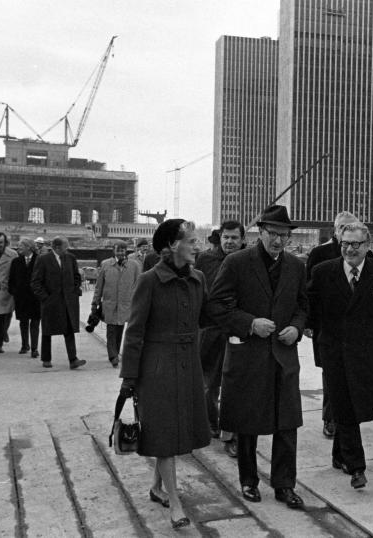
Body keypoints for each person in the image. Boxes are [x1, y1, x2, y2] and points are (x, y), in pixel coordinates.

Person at [208, 205, 308, 509]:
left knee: (287, 423)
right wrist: (250, 323)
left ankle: (284, 485)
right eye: (273, 234)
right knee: (248, 423)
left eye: (284, 235)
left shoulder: (295, 266)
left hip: (284, 356)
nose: (278, 241)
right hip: (249, 355)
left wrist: (296, 327)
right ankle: (249, 481)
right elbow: (217, 306)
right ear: (260, 232)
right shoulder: (238, 263)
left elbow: (303, 306)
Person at [119, 219, 210, 530]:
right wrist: (130, 378)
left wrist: (245, 320)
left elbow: (211, 316)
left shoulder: (198, 278)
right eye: (193, 241)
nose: (198, 246)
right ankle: (175, 502)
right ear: (172, 245)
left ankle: (157, 488)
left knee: (170, 433)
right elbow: (134, 332)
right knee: (166, 434)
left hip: (189, 366)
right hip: (156, 369)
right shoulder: (149, 281)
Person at [306, 222, 373, 489]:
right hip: (335, 350)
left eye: (356, 244)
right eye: (345, 244)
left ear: (367, 245)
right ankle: (357, 466)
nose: (350, 249)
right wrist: (308, 329)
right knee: (344, 405)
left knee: (362, 405)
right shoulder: (323, 272)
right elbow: (309, 306)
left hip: (366, 351)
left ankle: (339, 455)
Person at [305, 211, 359, 438]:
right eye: (342, 228)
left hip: (355, 327)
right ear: (335, 230)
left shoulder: (363, 252)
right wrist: (308, 323)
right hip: (327, 325)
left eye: (350, 227)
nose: (346, 232)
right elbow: (308, 291)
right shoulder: (319, 254)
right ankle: (330, 418)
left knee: (352, 373)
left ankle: (347, 416)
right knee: (331, 372)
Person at [195, 220, 245, 456]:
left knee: (235, 387)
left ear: (242, 240)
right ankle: (211, 424)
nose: (230, 242)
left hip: (237, 331)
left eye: (234, 238)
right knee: (208, 386)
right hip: (210, 331)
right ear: (220, 237)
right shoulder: (205, 260)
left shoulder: (248, 260)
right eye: (226, 237)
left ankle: (232, 434)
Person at [31, 236, 86, 370]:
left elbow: (76, 276)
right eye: (65, 247)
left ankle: (73, 359)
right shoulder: (43, 259)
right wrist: (45, 298)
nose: (67, 250)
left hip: (68, 301)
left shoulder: (70, 258)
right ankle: (46, 358)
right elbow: (35, 282)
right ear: (57, 247)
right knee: (47, 330)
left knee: (69, 330)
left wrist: (74, 290)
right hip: (51, 302)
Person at [92, 241, 141, 367]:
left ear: (126, 251)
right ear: (113, 251)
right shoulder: (105, 264)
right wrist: (95, 302)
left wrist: (137, 302)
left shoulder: (134, 266)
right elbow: (99, 286)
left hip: (125, 304)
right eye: (118, 250)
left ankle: (116, 352)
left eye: (123, 250)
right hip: (109, 303)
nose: (120, 253)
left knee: (119, 329)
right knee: (111, 330)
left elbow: (138, 286)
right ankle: (113, 355)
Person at [8, 239, 41, 358]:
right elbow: (11, 279)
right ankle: (24, 345)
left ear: (29, 247)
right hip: (21, 297)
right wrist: (14, 292)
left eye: (21, 246)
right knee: (23, 322)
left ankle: (34, 348)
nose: (18, 248)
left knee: (35, 323)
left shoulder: (40, 260)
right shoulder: (16, 261)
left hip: (36, 297)